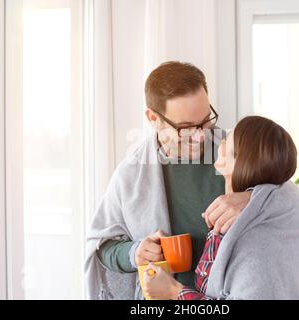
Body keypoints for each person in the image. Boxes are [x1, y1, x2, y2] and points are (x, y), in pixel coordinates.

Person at [84, 61, 252, 299]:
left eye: (206, 120)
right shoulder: (131, 173)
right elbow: (102, 247)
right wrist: (136, 253)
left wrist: (252, 198)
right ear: (153, 118)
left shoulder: (235, 150)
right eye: (185, 127)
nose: (201, 135)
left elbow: (290, 202)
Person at [141, 116, 299, 300]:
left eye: (228, 138)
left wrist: (173, 291)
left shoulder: (253, 246)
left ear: (238, 161)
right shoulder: (246, 214)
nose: (221, 140)